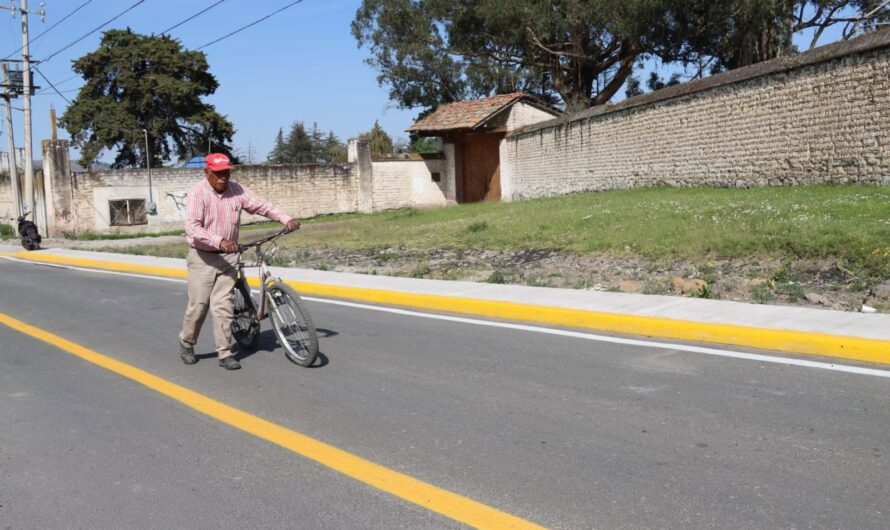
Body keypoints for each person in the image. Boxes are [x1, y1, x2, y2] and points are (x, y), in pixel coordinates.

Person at [178, 153, 300, 370]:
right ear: (207, 172)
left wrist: (286, 218)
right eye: (217, 173)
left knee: (223, 305)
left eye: (226, 172)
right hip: (202, 256)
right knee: (199, 306)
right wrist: (219, 240)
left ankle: (224, 353)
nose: (223, 177)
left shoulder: (236, 190)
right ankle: (187, 343)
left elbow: (262, 206)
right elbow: (193, 227)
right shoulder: (198, 193)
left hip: (229, 257)